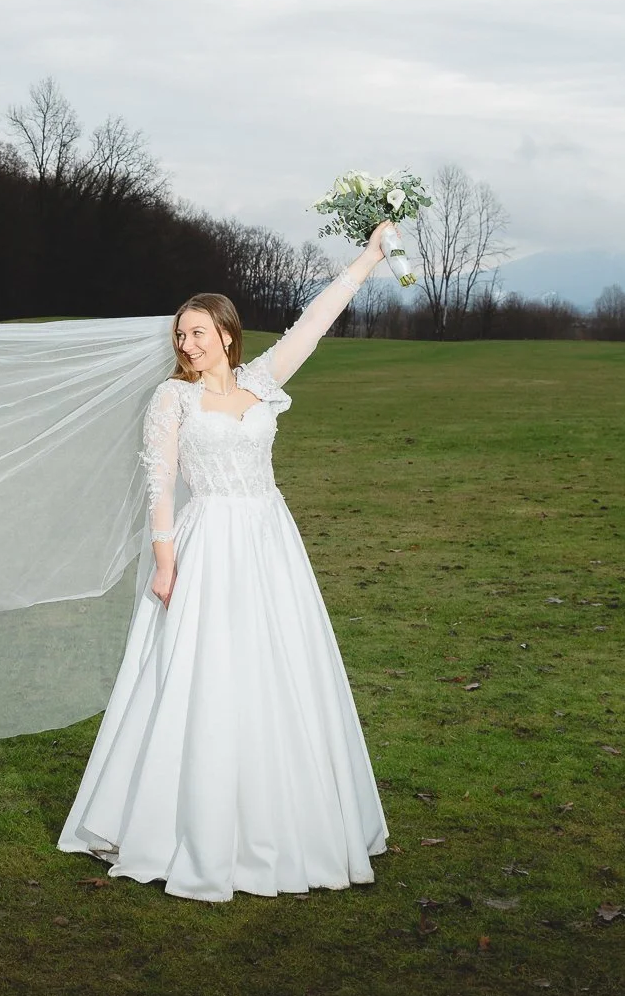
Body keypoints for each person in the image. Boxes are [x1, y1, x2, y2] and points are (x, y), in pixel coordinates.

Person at [58, 223, 397, 900]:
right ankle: (179, 820)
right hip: (207, 538)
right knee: (201, 673)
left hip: (270, 540)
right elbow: (160, 480)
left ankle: (284, 817)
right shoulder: (172, 398)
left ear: (227, 334)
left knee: (278, 668)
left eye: (197, 332)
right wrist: (163, 561)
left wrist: (369, 258)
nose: (186, 343)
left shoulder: (262, 382)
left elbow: (314, 322)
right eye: (180, 334)